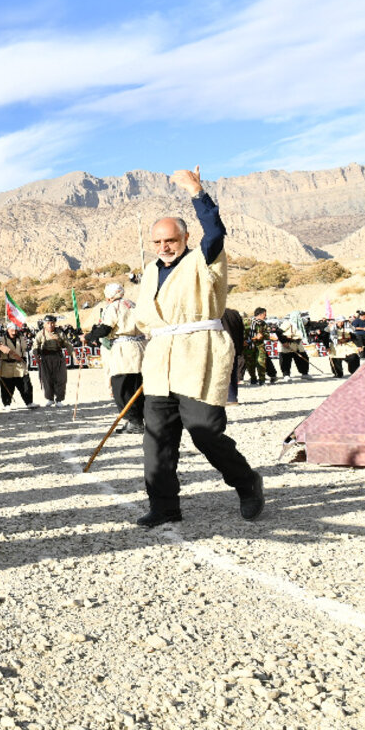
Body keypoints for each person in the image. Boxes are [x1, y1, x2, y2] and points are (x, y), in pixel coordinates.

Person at [130, 167, 263, 528]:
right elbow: (145, 319)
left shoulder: (203, 259)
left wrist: (197, 192)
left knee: (205, 431)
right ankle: (164, 507)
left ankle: (247, 481)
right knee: (156, 441)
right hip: (159, 364)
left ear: (185, 237)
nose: (164, 247)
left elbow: (216, 231)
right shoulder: (150, 271)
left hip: (198, 356)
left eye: (170, 240)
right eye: (157, 242)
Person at [84, 283, 145, 433]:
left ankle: (134, 421)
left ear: (109, 296)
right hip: (141, 347)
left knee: (121, 386)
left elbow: (106, 328)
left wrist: (89, 336)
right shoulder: (133, 304)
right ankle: (139, 420)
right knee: (137, 385)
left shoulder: (114, 307)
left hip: (124, 349)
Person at [0, 322, 34, 410]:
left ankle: (29, 402)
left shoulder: (20, 339)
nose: (14, 332)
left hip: (19, 365)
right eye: (12, 330)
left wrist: (25, 362)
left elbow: (24, 351)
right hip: (6, 365)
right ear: (8, 330)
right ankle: (7, 404)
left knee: (25, 384)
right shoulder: (2, 340)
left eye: (15, 330)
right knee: (7, 386)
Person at [34, 316, 71, 406]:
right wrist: (36, 356)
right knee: (47, 379)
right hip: (45, 358)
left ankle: (59, 399)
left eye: (52, 323)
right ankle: (50, 398)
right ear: (44, 324)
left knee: (61, 378)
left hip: (58, 357)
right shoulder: (40, 334)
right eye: (48, 323)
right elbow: (35, 346)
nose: (50, 325)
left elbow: (68, 345)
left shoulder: (60, 333)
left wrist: (75, 357)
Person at [244, 308, 277, 386]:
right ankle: (253, 378)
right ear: (260, 314)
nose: (265, 316)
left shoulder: (263, 324)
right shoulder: (247, 322)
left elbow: (266, 334)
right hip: (248, 347)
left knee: (261, 362)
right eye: (265, 315)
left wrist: (265, 336)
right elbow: (241, 333)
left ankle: (262, 380)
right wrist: (251, 338)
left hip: (260, 346)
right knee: (250, 364)